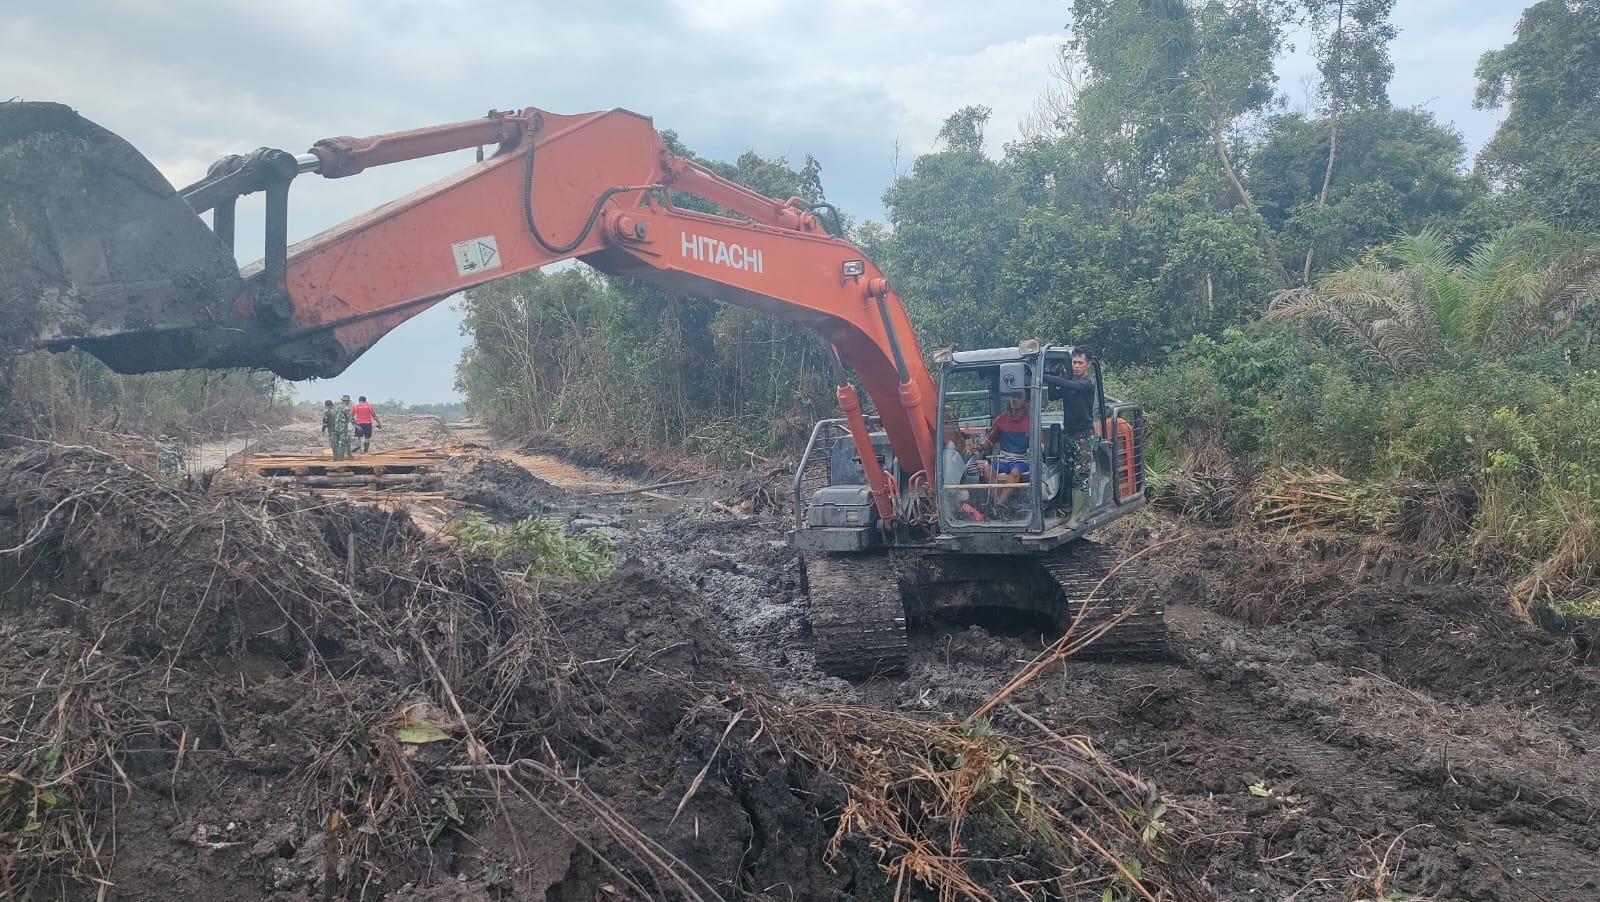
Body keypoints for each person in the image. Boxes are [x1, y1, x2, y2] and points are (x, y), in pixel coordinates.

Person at [1043, 350, 1097, 527]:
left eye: (1080, 363)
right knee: (1069, 471)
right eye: (1074, 362)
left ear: (1087, 364)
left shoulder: (1087, 384)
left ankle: (1078, 514)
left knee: (1080, 475)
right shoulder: (1069, 383)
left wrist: (1046, 376)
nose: (1076, 366)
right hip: (1069, 433)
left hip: (1083, 435)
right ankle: (1075, 509)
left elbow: (1069, 386)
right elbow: (1053, 395)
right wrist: (1052, 374)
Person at [980, 389, 1032, 508]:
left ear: (1027, 401)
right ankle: (998, 503)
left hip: (1022, 461)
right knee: (987, 469)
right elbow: (990, 440)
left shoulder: (1031, 422)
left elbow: (1041, 445)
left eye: (1019, 397)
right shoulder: (1001, 419)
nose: (1014, 399)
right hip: (1003, 460)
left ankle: (999, 504)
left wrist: (1035, 449)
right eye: (1013, 396)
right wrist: (980, 446)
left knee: (1015, 472)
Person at [327, 395, 353, 461]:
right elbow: (350, 418)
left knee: (335, 443)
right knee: (342, 443)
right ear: (347, 401)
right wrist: (356, 426)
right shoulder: (346, 408)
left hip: (335, 428)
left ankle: (335, 457)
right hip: (343, 428)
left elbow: (333, 417)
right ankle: (341, 458)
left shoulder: (337, 407)